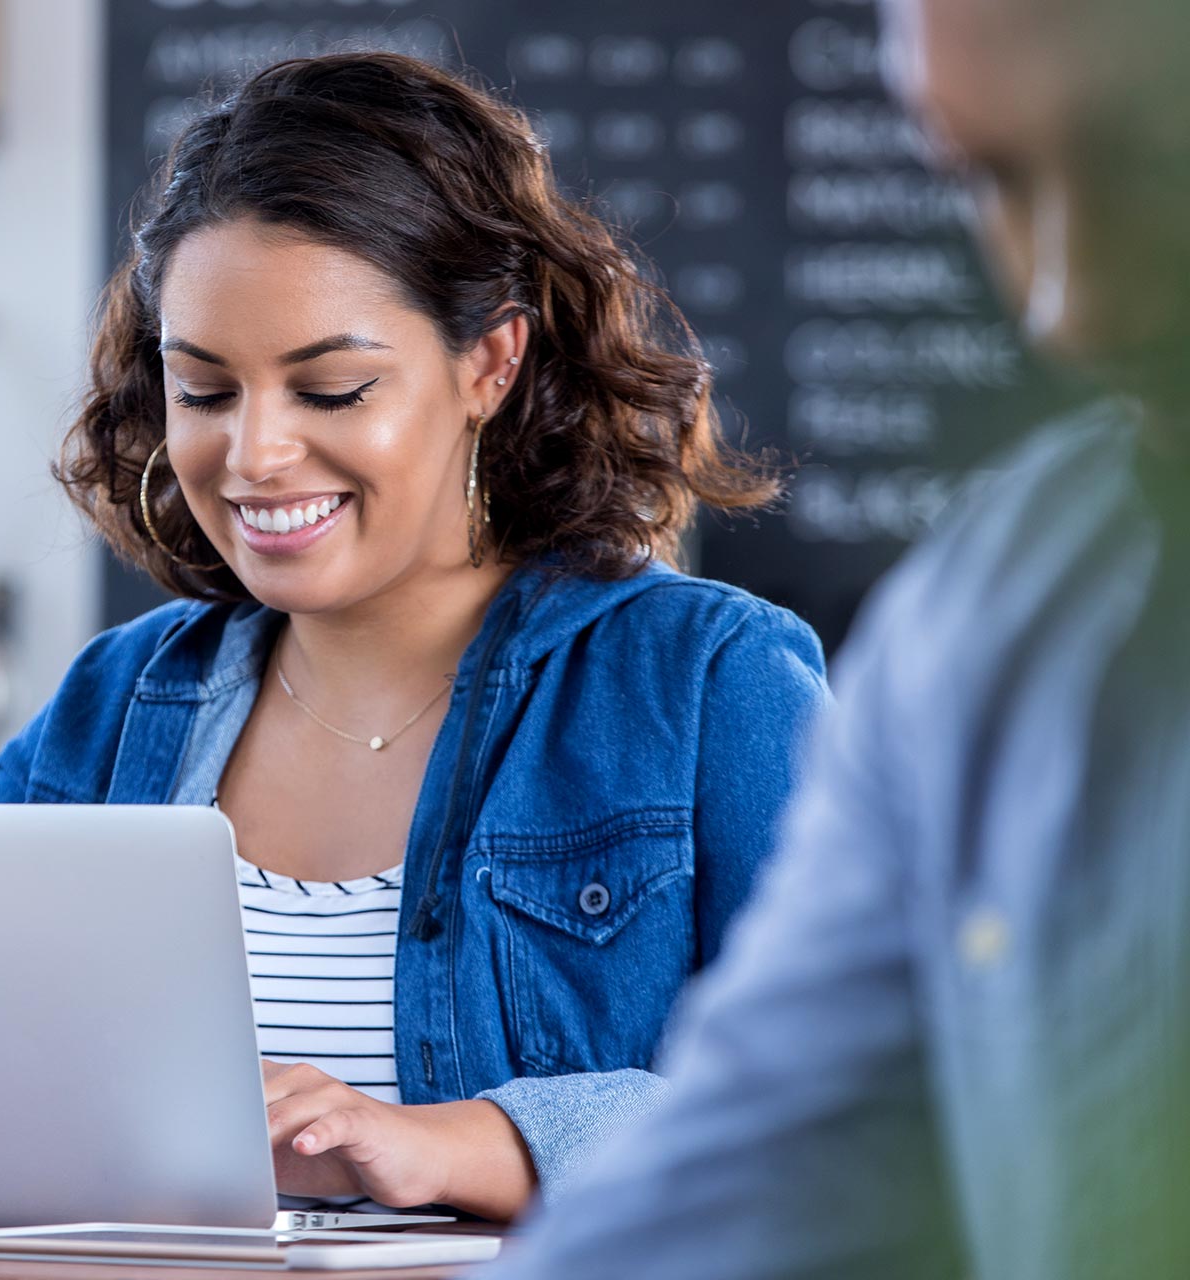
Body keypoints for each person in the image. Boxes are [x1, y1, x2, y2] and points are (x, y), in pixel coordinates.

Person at [0, 52, 826, 1223]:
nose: (255, 453)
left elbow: (852, 1099)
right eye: (205, 391)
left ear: (489, 361)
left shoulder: (707, 682)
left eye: (330, 391)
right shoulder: (112, 705)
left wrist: (457, 1146)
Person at [488, 0, 1190, 1273]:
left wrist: (496, 1133)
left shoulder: (718, 667)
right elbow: (746, 1173)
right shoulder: (994, 628)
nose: (1070, 305)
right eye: (990, 179)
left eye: (1160, 164)